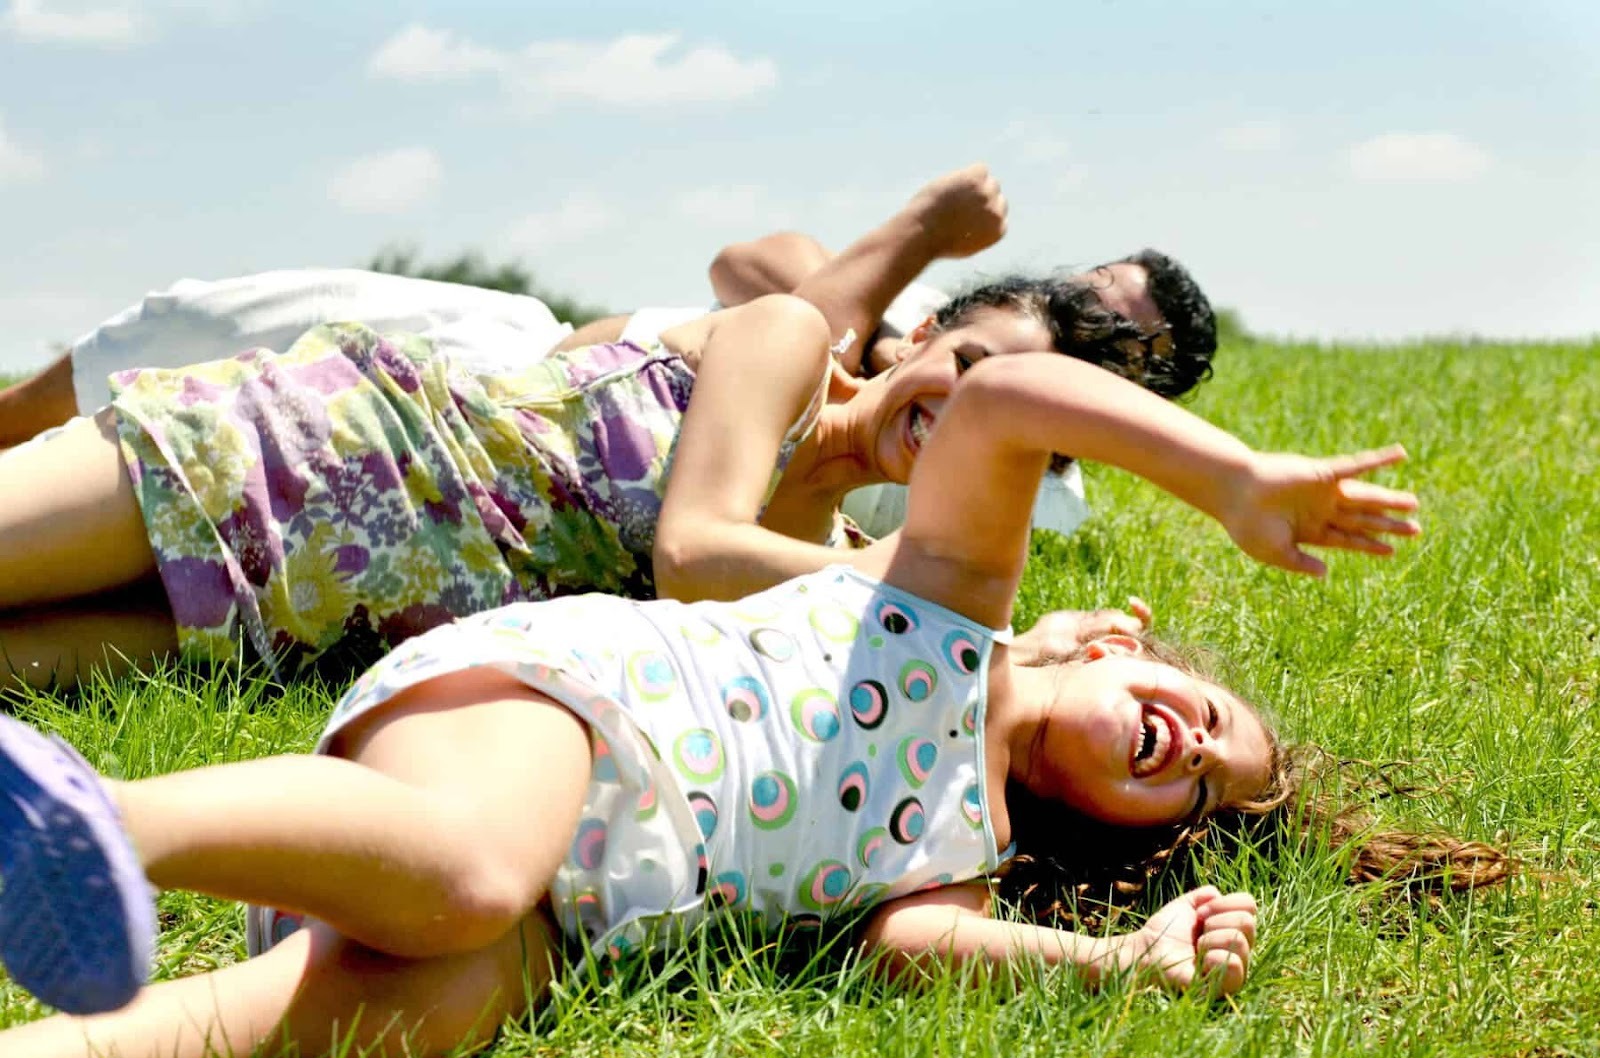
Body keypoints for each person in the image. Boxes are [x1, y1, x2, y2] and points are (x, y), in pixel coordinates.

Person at [0, 346, 1473, 1058]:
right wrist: (1226, 474)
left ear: (1118, 838)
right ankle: (98, 821)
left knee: (440, 995)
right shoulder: (948, 603)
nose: (1196, 752)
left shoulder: (944, 855)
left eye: (1198, 792)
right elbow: (1008, 402)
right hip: (552, 714)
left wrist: (1131, 966)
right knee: (465, 875)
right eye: (1205, 716)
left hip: (547, 904)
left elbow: (917, 950)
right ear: (1111, 642)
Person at [0, 263, 1192, 691]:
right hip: (308, 455)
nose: (958, 410)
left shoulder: (826, 566)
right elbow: (693, 555)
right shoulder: (782, 340)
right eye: (972, 368)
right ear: (926, 331)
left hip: (319, 613)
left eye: (1002, 423)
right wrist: (952, 597)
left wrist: (1030, 648)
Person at [0, 165, 1216, 542]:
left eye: (1120, 329)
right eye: (1086, 284)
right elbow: (750, 266)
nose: (1087, 309)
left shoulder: (1035, 486)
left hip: (521, 492)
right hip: (517, 368)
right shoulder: (920, 328)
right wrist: (884, 316)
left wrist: (876, 313)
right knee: (189, 330)